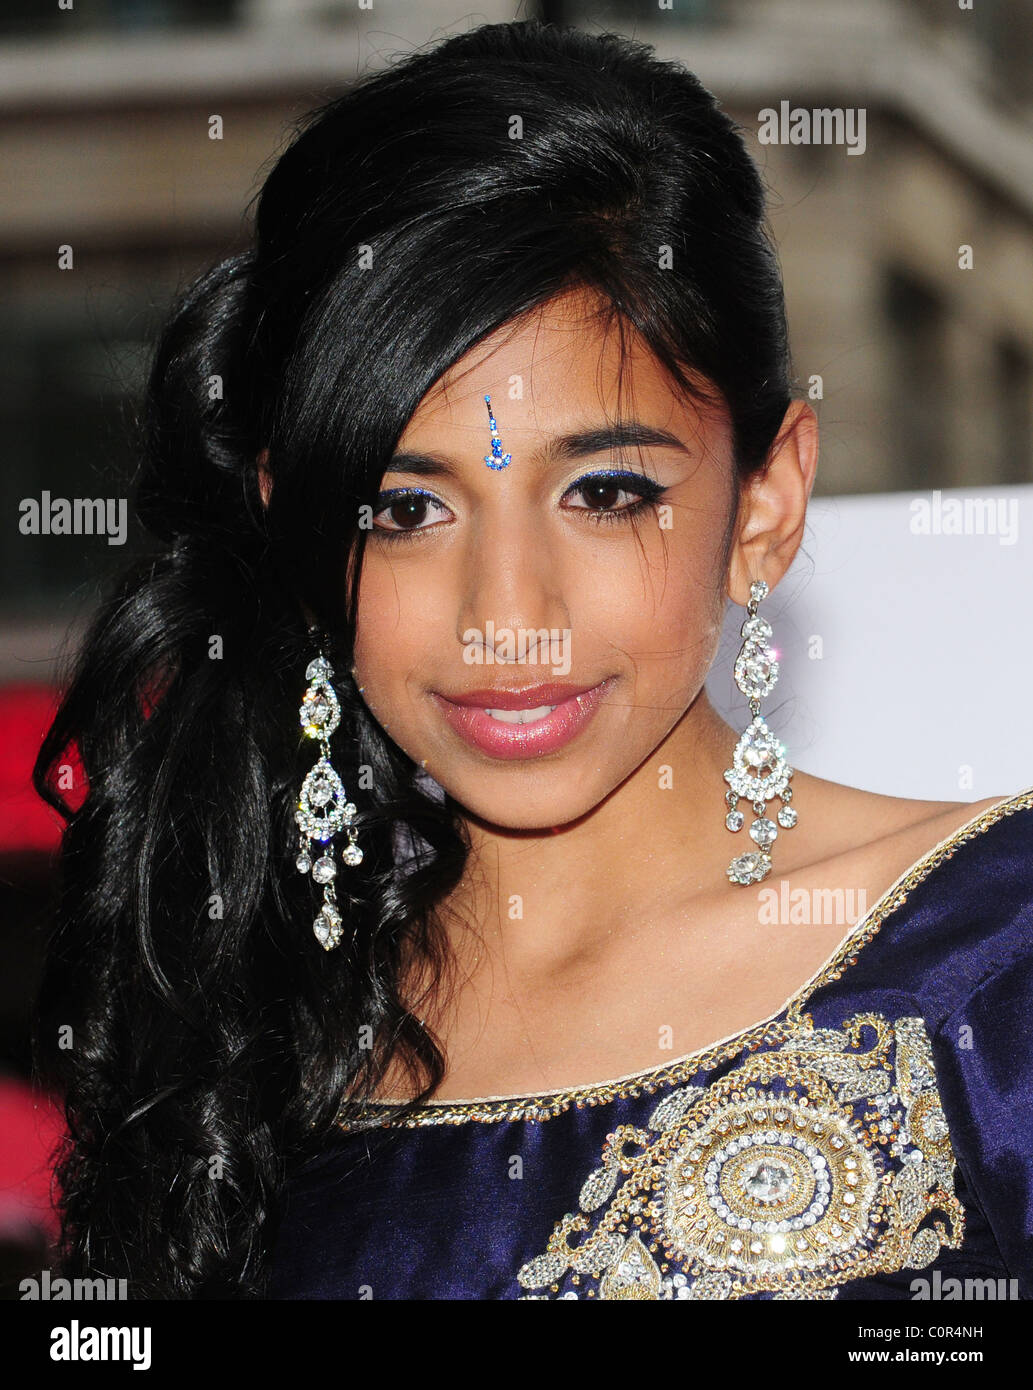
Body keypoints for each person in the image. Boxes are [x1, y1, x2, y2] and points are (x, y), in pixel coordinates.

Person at [32, 19, 1033, 1301]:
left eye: (606, 492)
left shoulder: (993, 957)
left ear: (765, 504)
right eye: (405, 508)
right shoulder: (239, 1050)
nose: (507, 613)